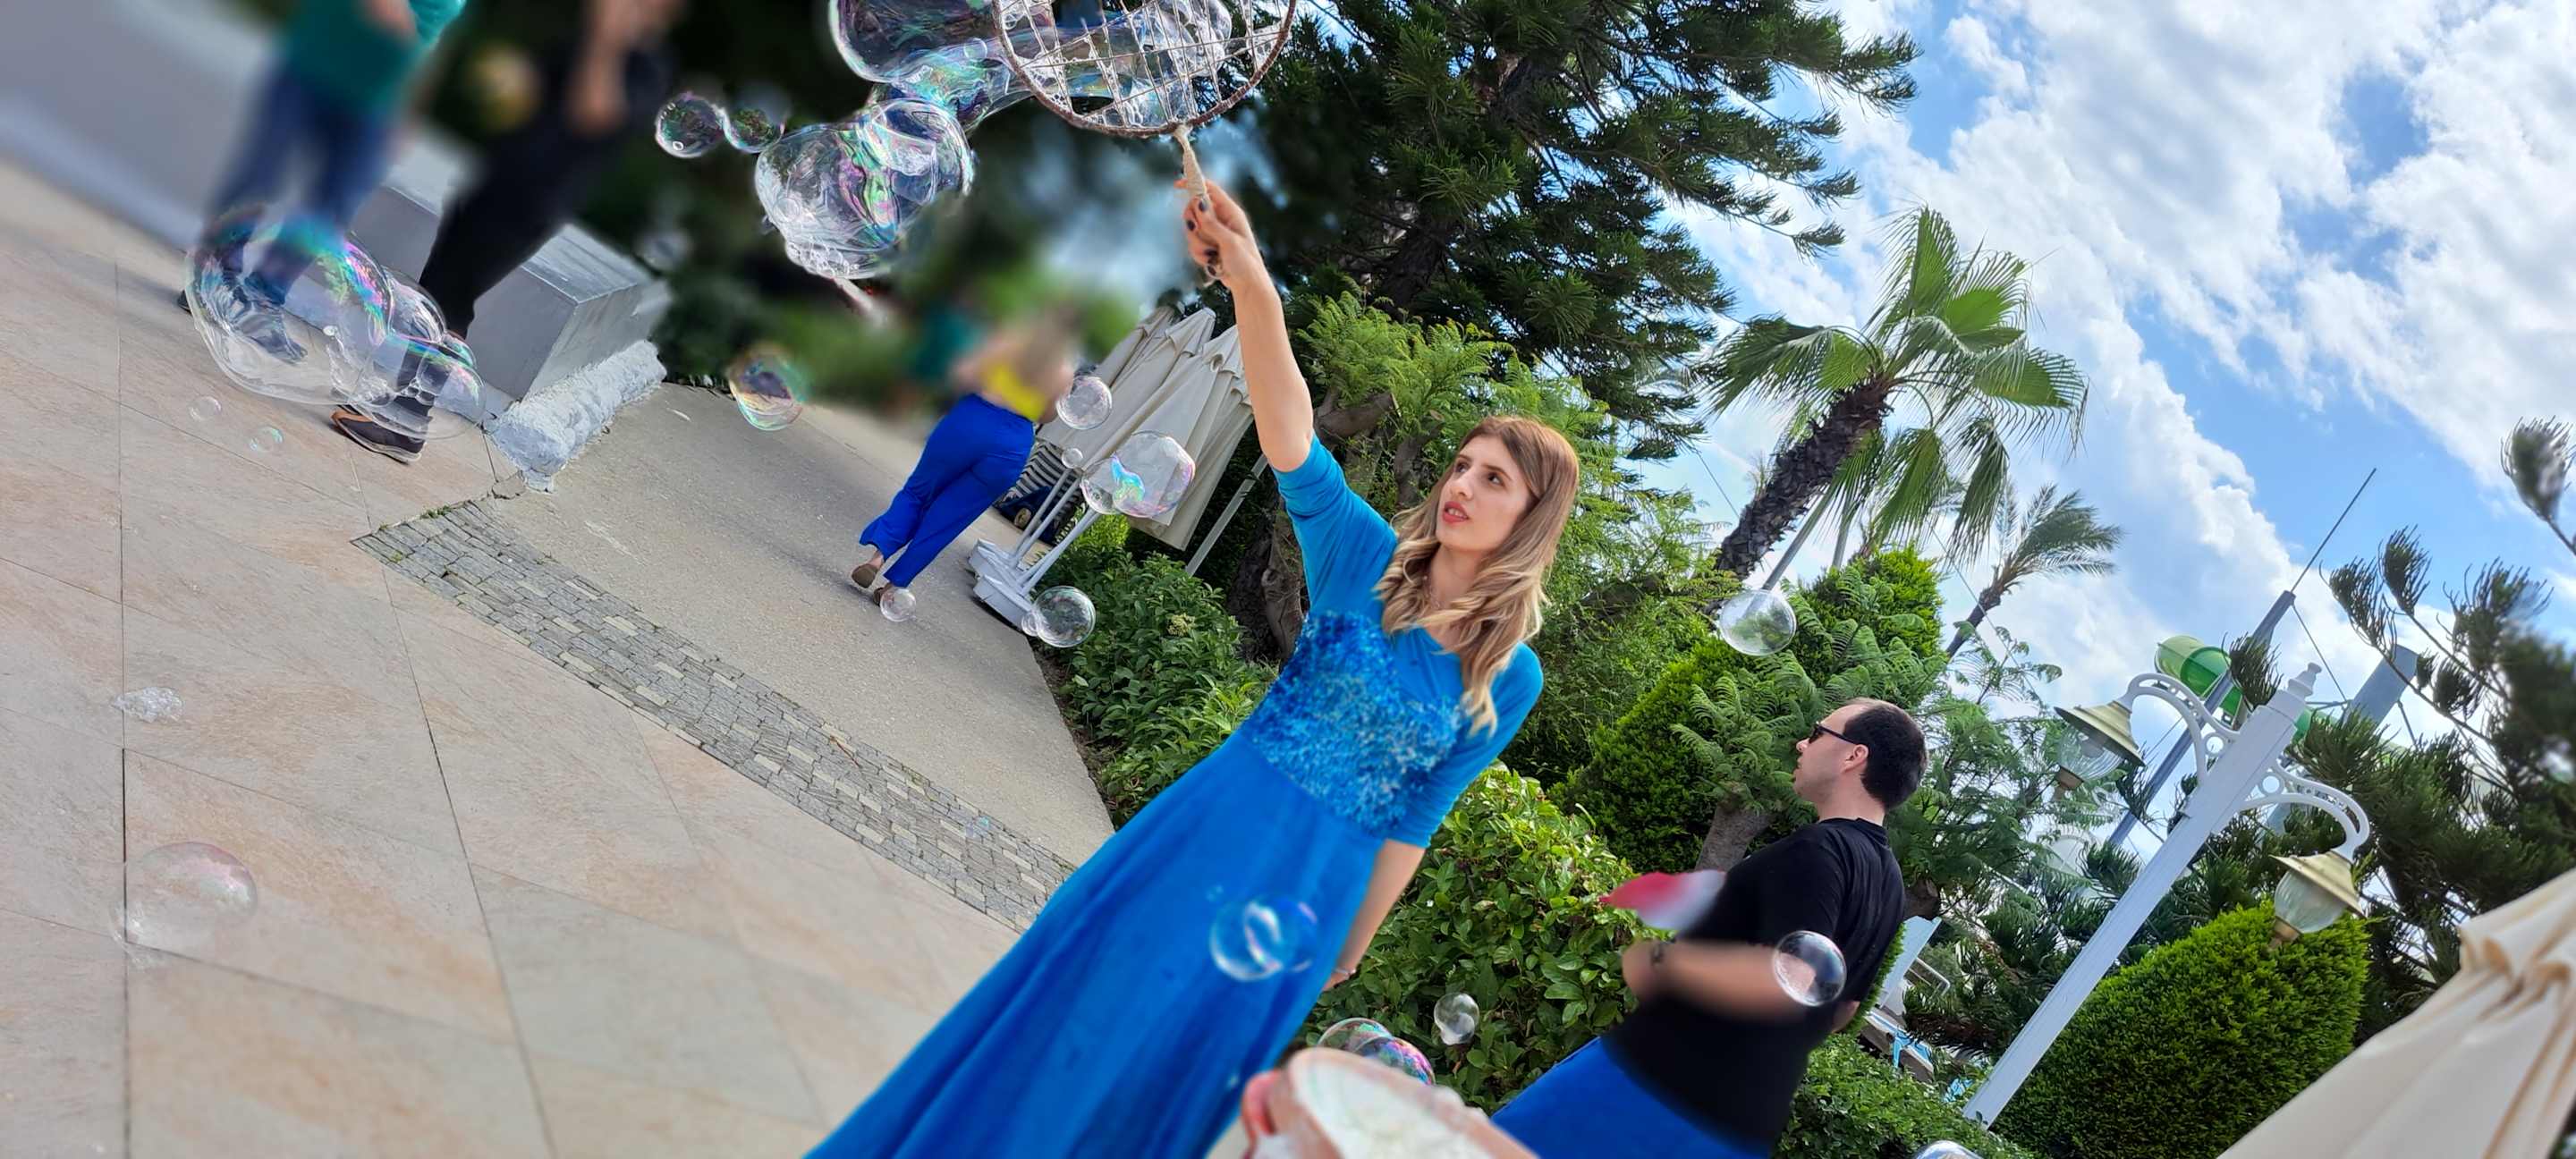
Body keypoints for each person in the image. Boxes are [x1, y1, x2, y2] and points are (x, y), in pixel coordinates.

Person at [809, 180, 1579, 1156]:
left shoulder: (1511, 678)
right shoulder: (1363, 559)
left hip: (1314, 894)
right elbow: (1290, 432)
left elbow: (1417, 818)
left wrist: (1345, 953)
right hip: (1216, 826)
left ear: (1533, 518)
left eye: (1493, 478)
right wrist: (1251, 279)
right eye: (1462, 465)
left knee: (1165, 1081)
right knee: (1090, 1023)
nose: (1462, 485)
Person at [1490, 698, 1925, 1158]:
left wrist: (1665, 962)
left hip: (1652, 1088)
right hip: (1742, 1125)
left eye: (1818, 733)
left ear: (1854, 755)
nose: (1802, 743)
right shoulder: (1889, 885)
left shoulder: (1819, 852)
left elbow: (1790, 979)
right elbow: (1842, 1010)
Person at [331, 0, 682, 462]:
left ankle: (408, 420)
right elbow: (540, 95)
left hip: (534, 197)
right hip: (500, 178)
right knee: (437, 289)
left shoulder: (647, 67)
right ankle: (403, 405)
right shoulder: (589, 43)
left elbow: (593, 112)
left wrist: (607, 38)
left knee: (453, 295)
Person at [187, 0, 468, 359]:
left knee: (332, 209)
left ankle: (263, 299)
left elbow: (434, 44)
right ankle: (214, 280)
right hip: (313, 68)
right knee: (259, 176)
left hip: (376, 103)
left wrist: (408, 113)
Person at [844, 310, 1073, 611]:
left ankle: (877, 558)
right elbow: (1047, 415)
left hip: (972, 420)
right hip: (1013, 443)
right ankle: (892, 587)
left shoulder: (1010, 339)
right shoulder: (1065, 372)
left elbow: (965, 374)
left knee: (918, 492)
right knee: (948, 519)